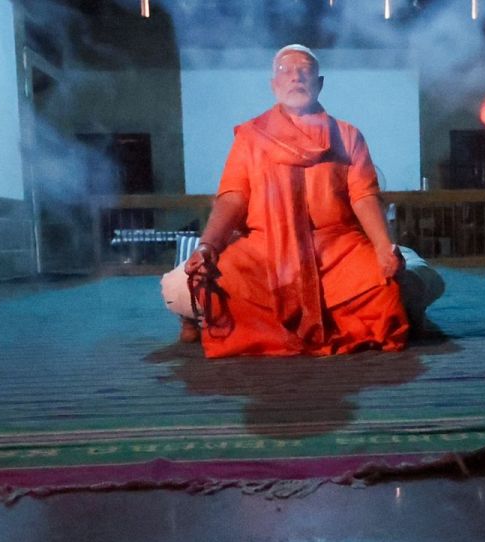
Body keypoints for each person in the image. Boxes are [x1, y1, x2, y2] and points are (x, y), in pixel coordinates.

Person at [161, 44, 439, 358]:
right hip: (265, 249)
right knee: (190, 284)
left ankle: (204, 320)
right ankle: (197, 317)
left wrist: (382, 247)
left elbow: (363, 195)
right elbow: (233, 198)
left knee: (385, 283)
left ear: (319, 83)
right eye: (285, 71)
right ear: (273, 85)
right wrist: (207, 246)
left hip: (335, 248)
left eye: (304, 70)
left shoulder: (347, 135)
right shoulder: (251, 137)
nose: (295, 77)